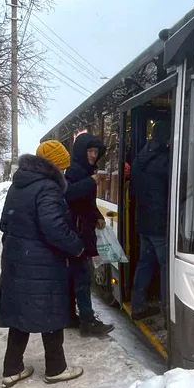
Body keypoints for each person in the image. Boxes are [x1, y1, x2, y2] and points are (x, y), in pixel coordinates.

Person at [0, 141, 85, 388]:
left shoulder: (19, 185)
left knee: (21, 314)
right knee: (51, 312)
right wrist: (76, 245)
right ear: (53, 165)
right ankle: (56, 368)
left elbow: (5, 223)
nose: (64, 172)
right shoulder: (48, 188)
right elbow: (54, 227)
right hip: (42, 262)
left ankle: (12, 369)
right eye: (62, 167)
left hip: (16, 259)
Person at [64, 132, 115, 336]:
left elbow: (86, 204)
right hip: (76, 233)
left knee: (76, 277)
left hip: (81, 229)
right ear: (81, 151)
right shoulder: (74, 171)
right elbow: (68, 196)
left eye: (95, 151)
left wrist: (96, 216)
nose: (93, 155)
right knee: (83, 278)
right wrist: (91, 182)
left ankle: (70, 316)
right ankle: (88, 322)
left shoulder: (85, 170)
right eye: (90, 151)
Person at [129, 121, 172, 321]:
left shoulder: (140, 158)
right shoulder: (165, 160)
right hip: (160, 224)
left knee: (145, 263)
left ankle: (138, 306)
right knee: (166, 267)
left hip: (144, 222)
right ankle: (167, 313)